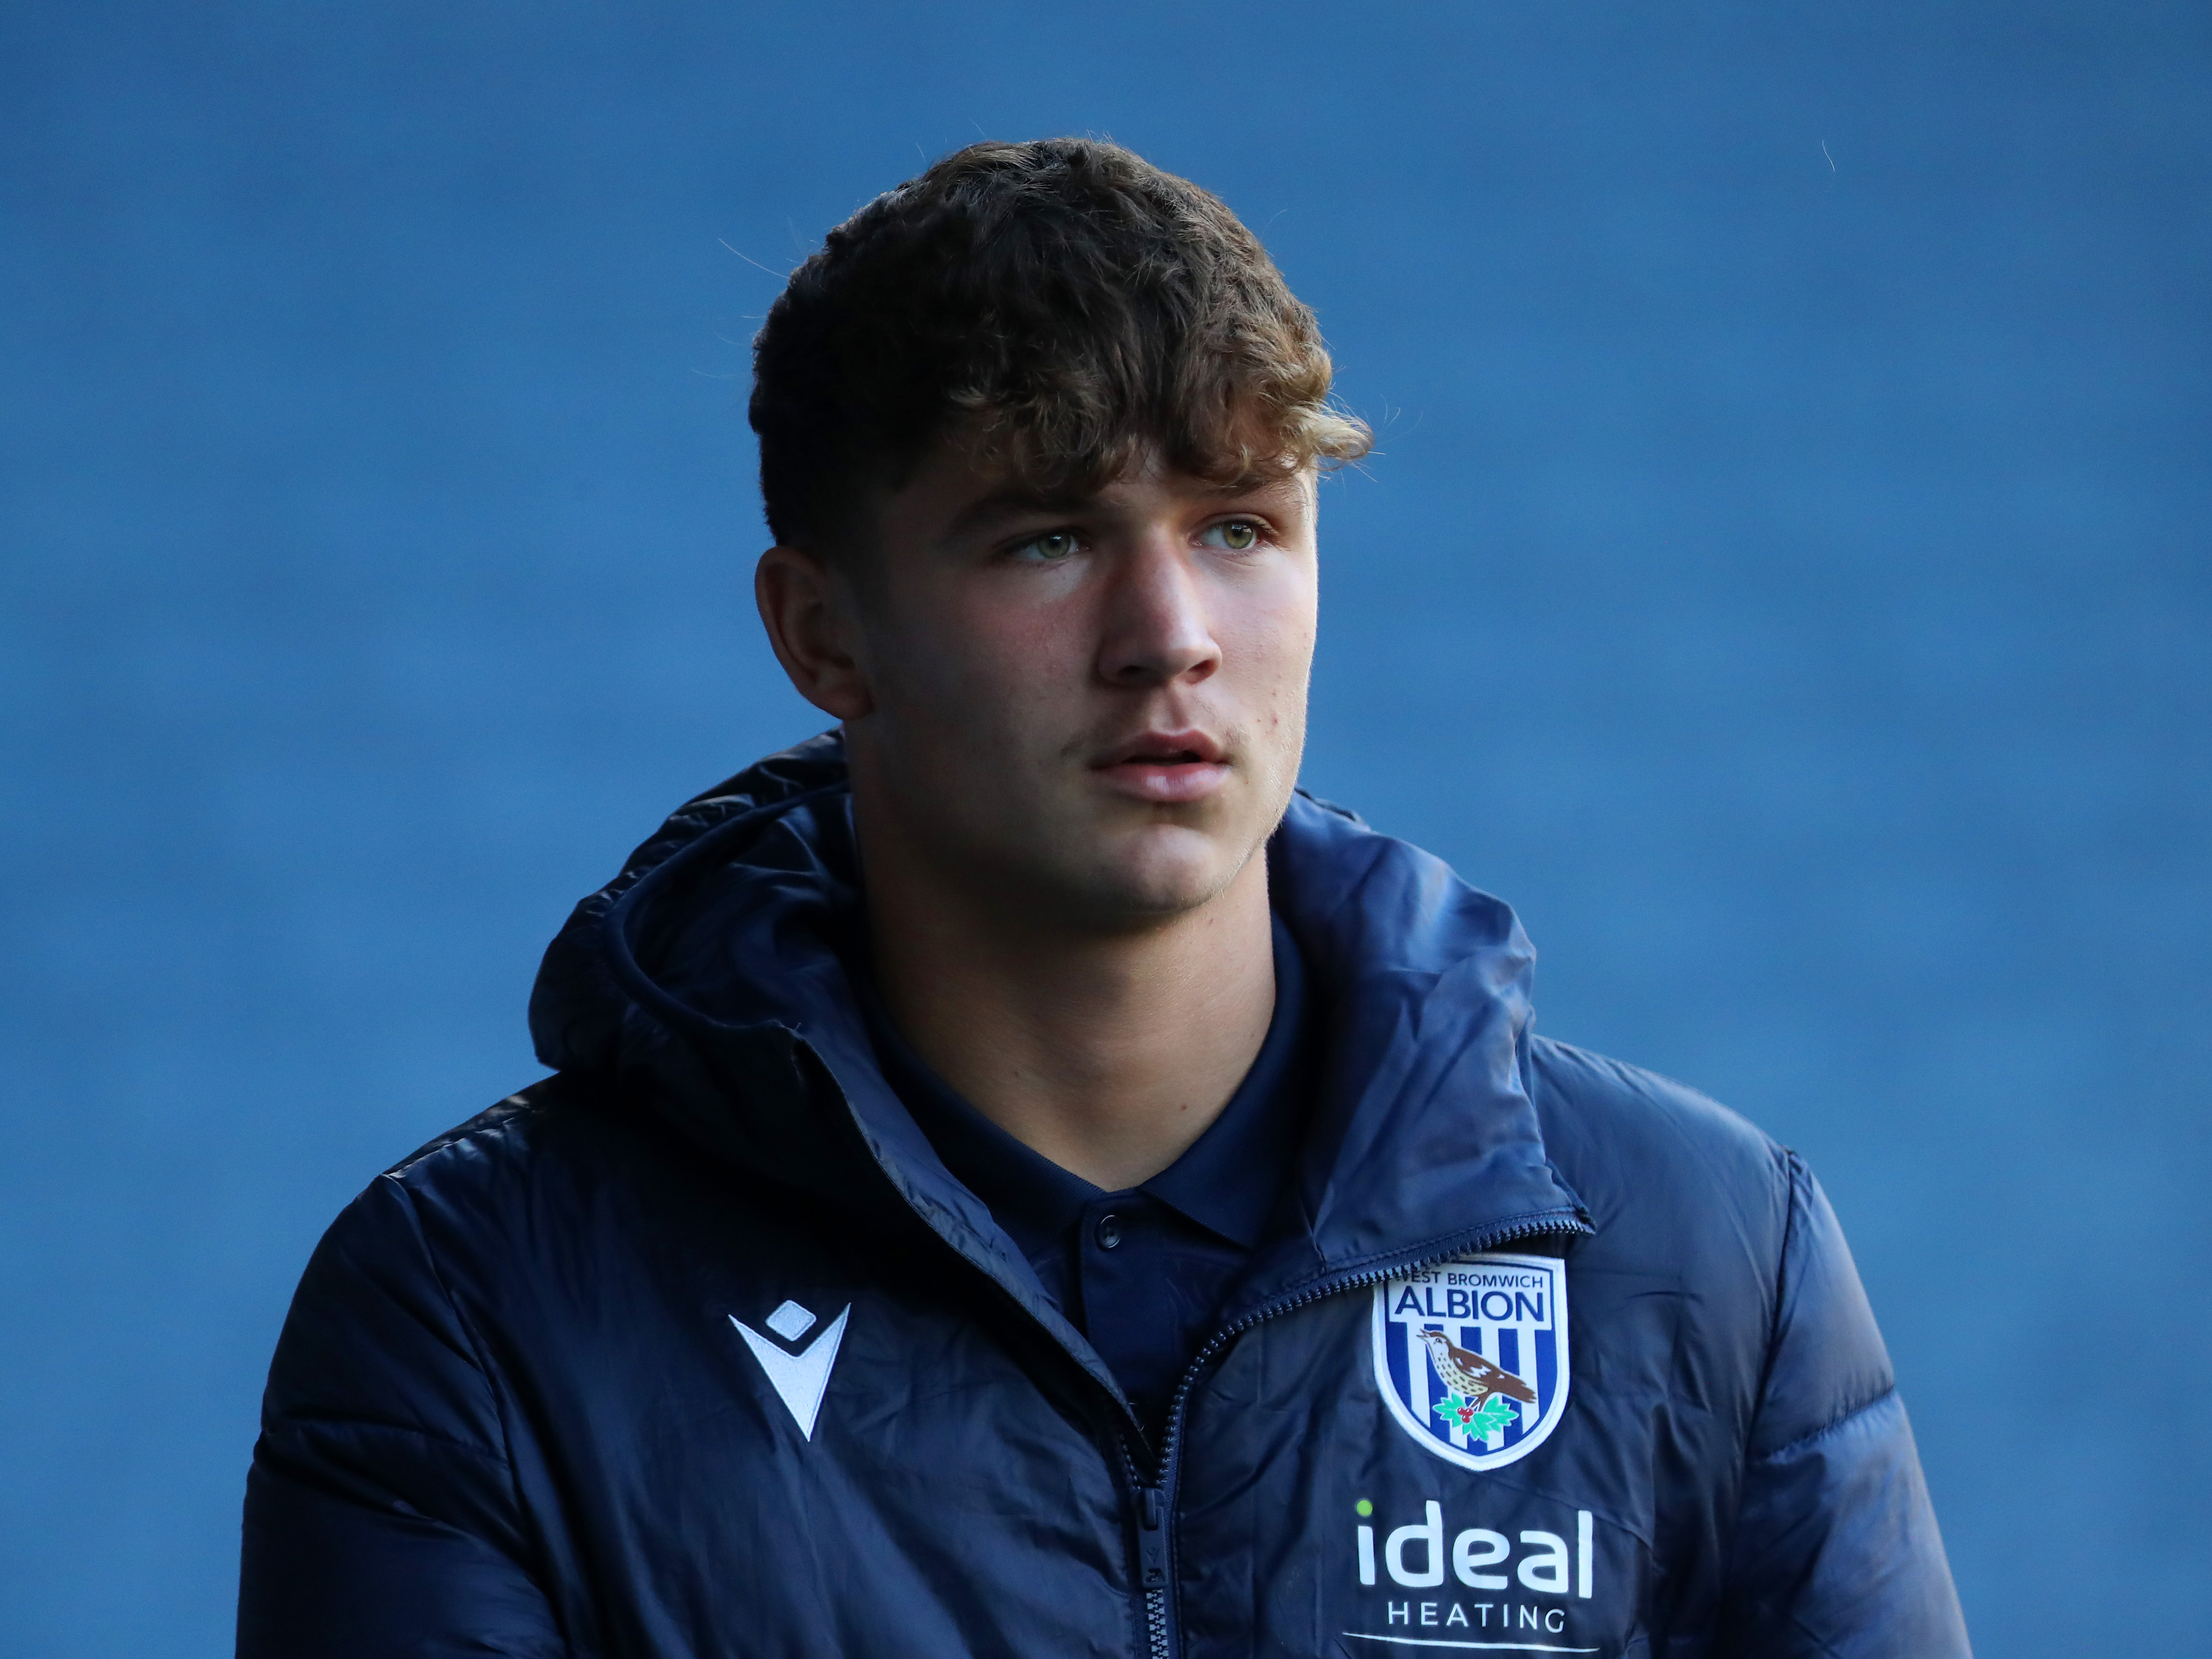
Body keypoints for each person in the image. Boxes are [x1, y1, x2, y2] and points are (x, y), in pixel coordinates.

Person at [236, 138, 1970, 1659]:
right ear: (819, 632)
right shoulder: (478, 1313)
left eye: (1240, 527)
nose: (1172, 636)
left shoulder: (1704, 1266)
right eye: (1049, 538)